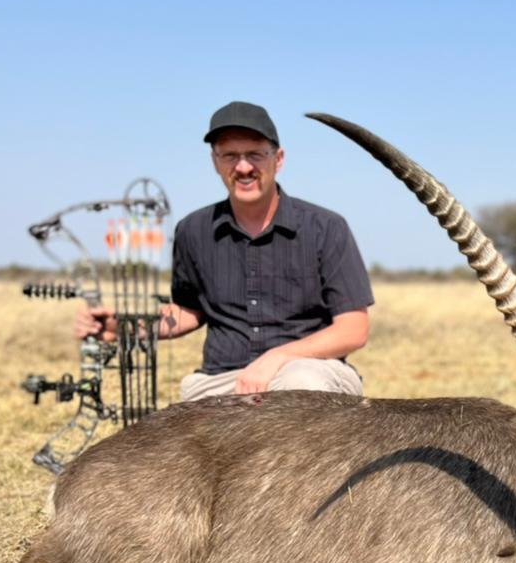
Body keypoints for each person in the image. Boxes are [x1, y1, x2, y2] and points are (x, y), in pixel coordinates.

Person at [75, 101, 373, 400]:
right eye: (230, 156)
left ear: (278, 159)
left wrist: (278, 357)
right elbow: (188, 311)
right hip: (223, 380)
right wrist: (122, 324)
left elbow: (353, 329)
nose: (243, 167)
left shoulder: (326, 227)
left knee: (302, 383)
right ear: (215, 162)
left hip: (312, 372)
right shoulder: (192, 230)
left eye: (255, 154)